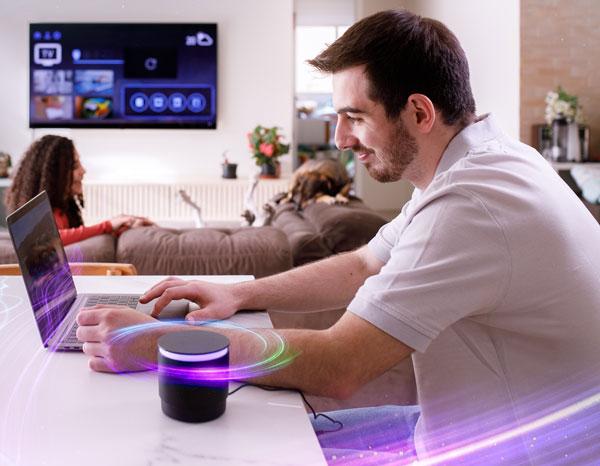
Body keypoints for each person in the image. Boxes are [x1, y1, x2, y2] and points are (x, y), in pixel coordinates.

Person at [75, 10, 600, 464]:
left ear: (419, 112)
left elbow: (340, 364)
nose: (341, 139)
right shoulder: (488, 161)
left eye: (355, 116)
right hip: (491, 424)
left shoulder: (471, 206)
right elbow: (367, 264)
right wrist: (240, 293)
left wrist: (159, 343)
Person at [5, 135, 154, 246]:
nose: (83, 170)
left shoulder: (63, 210)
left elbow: (79, 239)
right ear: (54, 174)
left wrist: (122, 227)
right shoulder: (33, 215)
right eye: (74, 166)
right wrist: (107, 225)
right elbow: (49, 239)